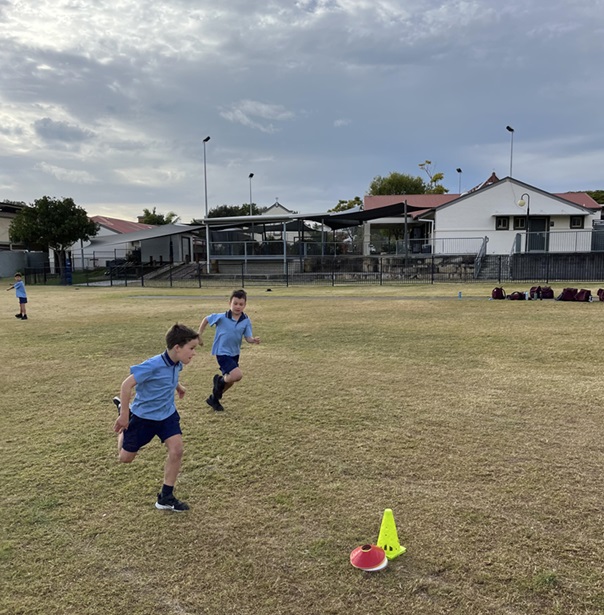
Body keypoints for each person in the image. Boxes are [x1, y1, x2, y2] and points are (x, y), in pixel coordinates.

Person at [112, 323, 199, 512]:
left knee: (177, 450)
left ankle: (166, 497)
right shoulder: (152, 365)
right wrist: (125, 415)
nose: (194, 353)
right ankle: (122, 419)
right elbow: (126, 386)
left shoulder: (177, 362)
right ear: (177, 347)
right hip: (143, 418)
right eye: (191, 348)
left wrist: (179, 387)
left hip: (167, 415)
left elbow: (170, 377)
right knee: (125, 458)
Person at [198, 289, 260, 412]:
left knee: (231, 381)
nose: (238, 306)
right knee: (237, 375)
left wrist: (253, 340)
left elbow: (247, 337)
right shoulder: (221, 317)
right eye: (235, 303)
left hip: (235, 353)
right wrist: (199, 334)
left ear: (245, 305)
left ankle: (213, 399)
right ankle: (218, 381)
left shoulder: (246, 320)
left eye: (241, 304)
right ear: (229, 303)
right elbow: (206, 319)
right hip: (221, 352)